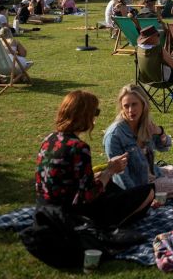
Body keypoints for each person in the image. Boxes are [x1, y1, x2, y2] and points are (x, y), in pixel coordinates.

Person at [35, 90, 154, 230]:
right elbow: (87, 196)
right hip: (71, 217)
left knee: (110, 185)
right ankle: (109, 227)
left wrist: (98, 177)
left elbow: (65, 181)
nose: (95, 118)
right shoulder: (78, 147)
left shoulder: (49, 139)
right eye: (95, 112)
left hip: (45, 211)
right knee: (149, 191)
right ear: (84, 115)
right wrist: (110, 171)